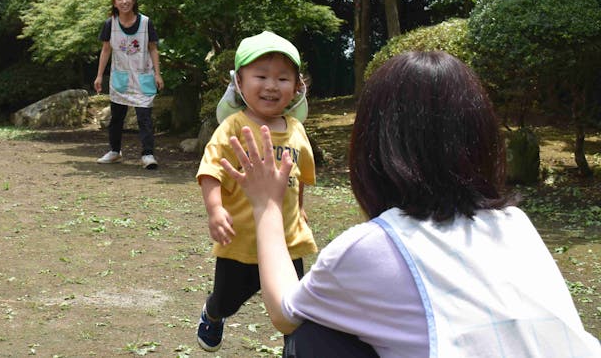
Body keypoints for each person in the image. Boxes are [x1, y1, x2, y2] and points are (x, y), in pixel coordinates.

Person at [221, 51, 601, 357]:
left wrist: (268, 205)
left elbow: (285, 312)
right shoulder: (516, 224)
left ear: (374, 146)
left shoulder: (373, 247)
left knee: (313, 337)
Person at [195, 31, 316, 352]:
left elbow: (299, 174)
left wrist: (300, 208)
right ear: (239, 82)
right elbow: (210, 170)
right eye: (261, 76)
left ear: (297, 86)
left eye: (283, 78)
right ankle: (213, 312)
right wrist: (215, 210)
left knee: (295, 308)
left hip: (287, 238)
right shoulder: (233, 127)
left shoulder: (297, 131)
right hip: (241, 240)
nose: (272, 85)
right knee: (228, 300)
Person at [93, 0, 163, 170]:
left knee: (144, 117)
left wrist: (157, 73)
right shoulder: (110, 24)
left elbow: (153, 48)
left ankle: (148, 154)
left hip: (143, 75)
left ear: (133, 0)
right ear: (115, 3)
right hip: (120, 76)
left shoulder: (146, 22)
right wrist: (99, 76)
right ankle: (115, 151)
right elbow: (106, 49)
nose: (124, 2)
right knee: (117, 117)